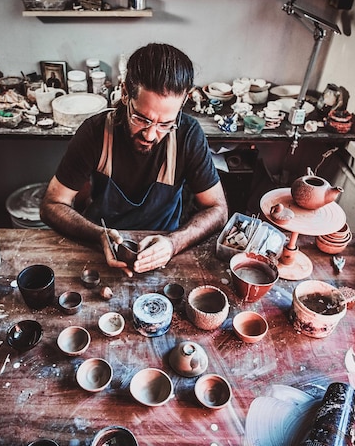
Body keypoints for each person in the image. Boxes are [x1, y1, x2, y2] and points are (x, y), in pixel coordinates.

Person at [40, 43, 228, 276]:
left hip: (164, 245)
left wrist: (174, 243)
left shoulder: (188, 135)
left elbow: (218, 209)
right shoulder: (96, 133)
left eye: (165, 124)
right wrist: (98, 235)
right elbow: (51, 205)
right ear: (125, 92)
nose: (150, 135)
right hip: (100, 243)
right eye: (141, 118)